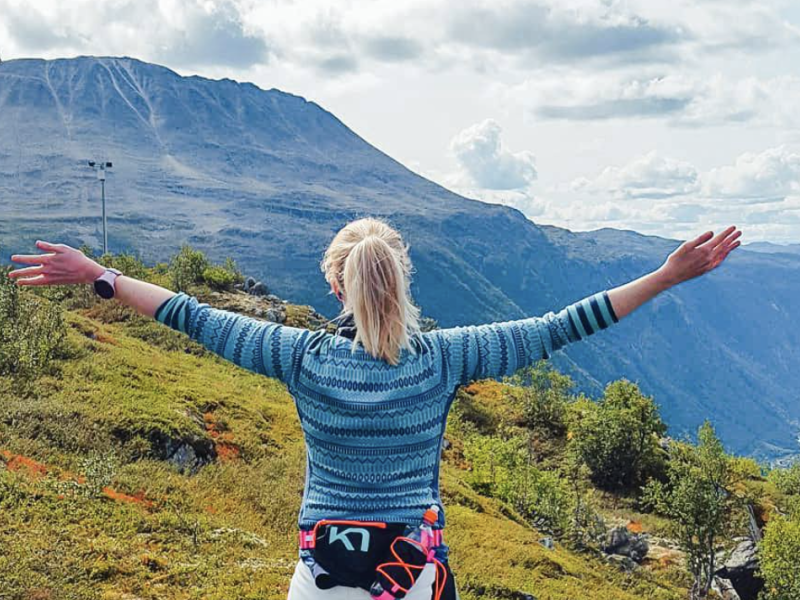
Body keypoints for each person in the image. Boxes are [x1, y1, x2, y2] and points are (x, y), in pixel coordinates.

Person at [8, 218, 741, 599]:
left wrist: (100, 275)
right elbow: (563, 325)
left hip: (321, 573)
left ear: (337, 287)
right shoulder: (447, 358)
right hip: (413, 574)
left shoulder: (299, 357)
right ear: (402, 280)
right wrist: (664, 276)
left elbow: (190, 315)